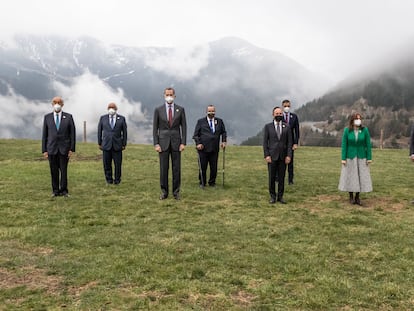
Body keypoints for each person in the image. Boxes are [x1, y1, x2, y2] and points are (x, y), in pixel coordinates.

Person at [153, 87, 187, 200]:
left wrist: (183, 143)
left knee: (176, 168)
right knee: (164, 169)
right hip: (163, 143)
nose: (169, 96)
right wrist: (156, 144)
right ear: (164, 95)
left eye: (171, 94)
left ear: (174, 96)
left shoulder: (180, 109)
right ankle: (164, 192)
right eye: (167, 94)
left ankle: (176, 192)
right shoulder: (158, 110)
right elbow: (155, 128)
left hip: (177, 143)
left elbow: (184, 127)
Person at [42, 96, 76, 197]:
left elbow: (72, 134)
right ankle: (55, 191)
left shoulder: (68, 117)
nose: (57, 104)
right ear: (52, 104)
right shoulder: (47, 117)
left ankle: (64, 190)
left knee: (64, 171)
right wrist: (44, 150)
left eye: (59, 102)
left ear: (62, 104)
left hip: (64, 149)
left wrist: (71, 149)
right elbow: (45, 134)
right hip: (51, 148)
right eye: (55, 102)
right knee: (53, 170)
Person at [338, 112, 372, 206]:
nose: (359, 120)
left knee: (360, 176)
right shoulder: (347, 131)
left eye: (360, 119)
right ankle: (351, 196)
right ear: (352, 120)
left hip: (361, 156)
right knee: (350, 176)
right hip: (350, 156)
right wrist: (343, 158)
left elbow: (368, 145)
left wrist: (369, 157)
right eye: (357, 119)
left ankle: (357, 197)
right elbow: (344, 145)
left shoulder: (365, 130)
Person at [263, 106, 293, 204]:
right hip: (272, 156)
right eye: (277, 114)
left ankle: (280, 197)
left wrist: (289, 156)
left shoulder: (287, 126)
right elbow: (265, 143)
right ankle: (272, 196)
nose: (279, 115)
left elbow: (289, 143)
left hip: (283, 156)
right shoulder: (268, 127)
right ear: (273, 115)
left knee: (281, 177)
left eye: (280, 114)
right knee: (271, 177)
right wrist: (266, 155)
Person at [193, 105, 227, 188]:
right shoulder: (200, 122)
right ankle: (202, 182)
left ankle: (212, 182)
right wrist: (198, 143)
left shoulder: (219, 121)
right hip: (203, 148)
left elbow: (223, 132)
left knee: (214, 167)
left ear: (215, 112)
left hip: (214, 148)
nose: (211, 113)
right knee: (203, 166)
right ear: (206, 112)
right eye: (209, 111)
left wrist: (223, 141)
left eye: (212, 111)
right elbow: (196, 135)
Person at [97, 102, 127, 185]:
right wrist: (99, 142)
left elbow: (124, 132)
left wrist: (124, 144)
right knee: (107, 164)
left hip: (117, 145)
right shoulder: (103, 118)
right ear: (107, 109)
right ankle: (109, 180)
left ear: (116, 109)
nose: (111, 109)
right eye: (110, 107)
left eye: (113, 107)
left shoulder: (121, 119)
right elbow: (100, 131)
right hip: (106, 145)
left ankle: (117, 180)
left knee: (118, 164)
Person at [282, 99, 300, 185]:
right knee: (280, 160)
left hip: (291, 142)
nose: (287, 108)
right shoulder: (279, 116)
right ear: (282, 106)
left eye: (288, 106)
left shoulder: (294, 117)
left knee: (290, 161)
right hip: (281, 142)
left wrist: (296, 143)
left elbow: (296, 130)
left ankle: (290, 180)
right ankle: (279, 178)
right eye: (285, 106)